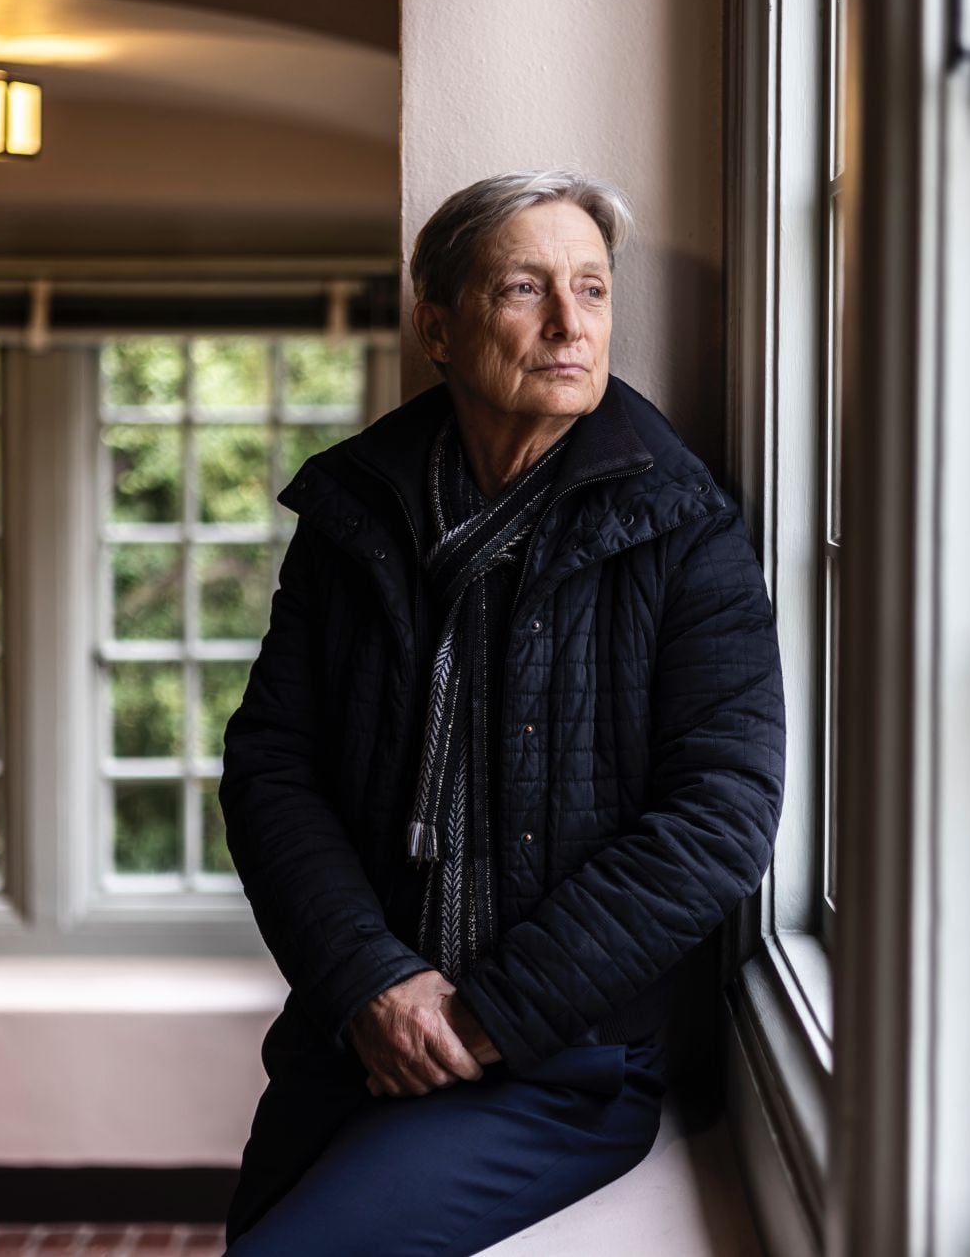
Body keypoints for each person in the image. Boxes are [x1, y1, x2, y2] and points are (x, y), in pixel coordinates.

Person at [217, 167, 786, 1254]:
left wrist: (483, 1015)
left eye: (592, 288)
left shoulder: (683, 529)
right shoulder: (353, 514)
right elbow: (271, 767)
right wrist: (372, 979)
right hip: (356, 1029)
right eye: (525, 289)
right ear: (437, 324)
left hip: (555, 1060)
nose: (570, 323)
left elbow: (719, 812)